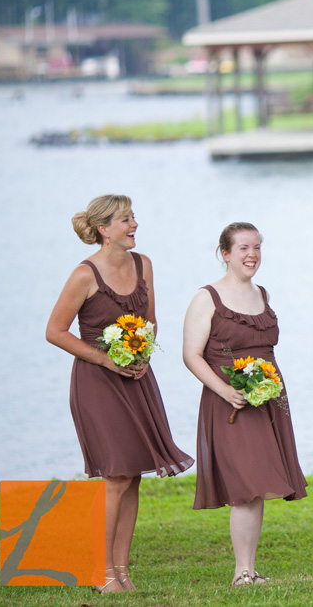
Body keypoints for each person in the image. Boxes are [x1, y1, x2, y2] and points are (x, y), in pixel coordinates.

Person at [46, 195, 193, 593]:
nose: (134, 225)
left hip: (137, 377)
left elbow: (151, 321)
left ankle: (121, 571)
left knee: (132, 476)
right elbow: (55, 331)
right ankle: (102, 571)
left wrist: (143, 354)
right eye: (125, 219)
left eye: (133, 217)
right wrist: (106, 360)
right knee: (115, 475)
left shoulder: (144, 264)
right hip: (97, 382)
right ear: (103, 230)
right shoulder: (84, 275)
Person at [182, 222, 307, 587]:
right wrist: (225, 391)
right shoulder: (207, 297)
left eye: (257, 247)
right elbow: (191, 355)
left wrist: (267, 387)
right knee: (247, 486)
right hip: (230, 405)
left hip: (268, 402)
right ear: (225, 254)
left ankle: (250, 570)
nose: (252, 255)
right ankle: (242, 573)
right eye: (243, 248)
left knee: (258, 485)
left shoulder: (262, 294)